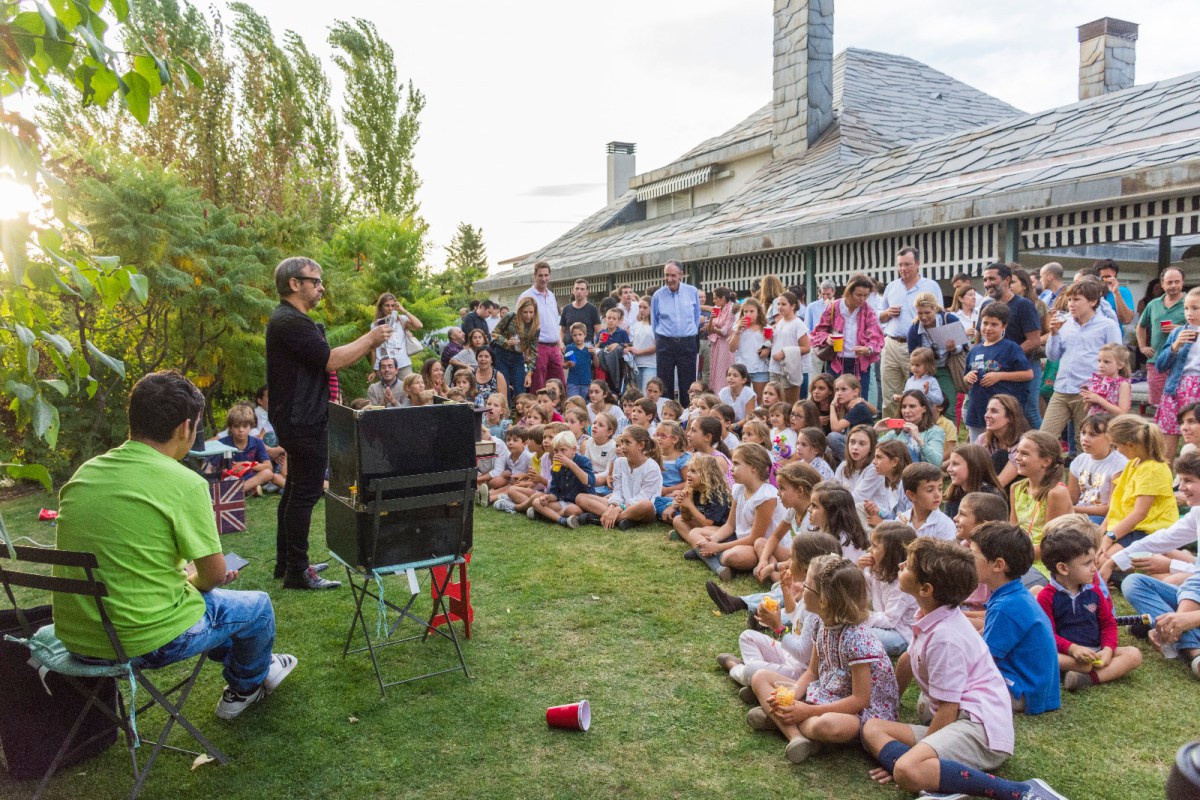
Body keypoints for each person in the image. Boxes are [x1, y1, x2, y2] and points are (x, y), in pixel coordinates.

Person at [53, 371, 298, 719]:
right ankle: (246, 685)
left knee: (215, 606)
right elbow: (212, 576)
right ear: (186, 427)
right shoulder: (185, 482)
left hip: (79, 640)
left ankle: (262, 665)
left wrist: (183, 577)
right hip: (143, 641)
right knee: (256, 607)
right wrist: (193, 580)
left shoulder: (85, 473)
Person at [862, 538, 1066, 800]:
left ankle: (1021, 791)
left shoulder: (946, 636)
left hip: (979, 730)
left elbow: (948, 707)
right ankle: (939, 780)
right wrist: (889, 704)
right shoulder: (929, 615)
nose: (900, 565)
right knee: (871, 728)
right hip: (956, 721)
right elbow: (906, 660)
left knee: (905, 769)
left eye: (908, 565)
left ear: (926, 589)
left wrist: (913, 756)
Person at [267, 257, 390, 590]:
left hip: (297, 416)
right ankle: (297, 570)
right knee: (305, 494)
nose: (321, 287)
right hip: (303, 419)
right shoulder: (290, 321)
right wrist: (371, 338)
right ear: (295, 283)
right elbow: (330, 360)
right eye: (316, 281)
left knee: (294, 491)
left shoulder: (292, 320)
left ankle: (289, 562)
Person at [747, 554, 899, 765]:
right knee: (759, 677)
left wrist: (807, 710)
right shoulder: (820, 622)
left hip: (863, 714)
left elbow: (859, 700)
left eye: (806, 586)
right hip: (826, 693)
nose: (799, 587)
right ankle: (797, 737)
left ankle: (780, 719)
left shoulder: (857, 639)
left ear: (824, 600)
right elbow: (811, 673)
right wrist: (791, 696)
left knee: (825, 725)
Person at [1103, 450, 1200, 677]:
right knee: (1135, 582)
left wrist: (1170, 567)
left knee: (1191, 584)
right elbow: (1161, 539)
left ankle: (1191, 649)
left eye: (1189, 481)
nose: (1181, 487)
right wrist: (1113, 561)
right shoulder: (1197, 512)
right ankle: (1181, 634)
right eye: (1181, 480)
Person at [1037, 524, 1142, 692]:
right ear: (1063, 568)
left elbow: (1108, 624)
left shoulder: (1094, 591)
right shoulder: (1046, 597)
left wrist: (1107, 650)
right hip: (1065, 654)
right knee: (1040, 656)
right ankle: (1079, 669)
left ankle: (1086, 678)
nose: (1095, 568)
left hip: (1095, 652)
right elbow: (1048, 635)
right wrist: (1072, 649)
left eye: (1093, 561)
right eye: (1087, 564)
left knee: (1133, 654)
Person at [972, 521, 1061, 714]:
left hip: (1024, 692)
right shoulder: (1014, 593)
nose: (967, 559)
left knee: (950, 690)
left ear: (998, 565)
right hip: (1033, 686)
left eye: (973, 555)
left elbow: (983, 657)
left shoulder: (1007, 606)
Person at [1041, 280, 1123, 450]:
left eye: (1077, 299)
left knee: (1086, 444)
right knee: (1044, 439)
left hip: (1089, 392)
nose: (1071, 304)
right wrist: (1054, 334)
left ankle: (1086, 475)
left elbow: (1117, 359)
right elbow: (1052, 355)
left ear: (1093, 302)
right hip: (1062, 388)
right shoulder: (1064, 323)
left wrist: (1103, 390)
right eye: (1069, 299)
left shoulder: (1108, 325)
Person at [687, 443, 783, 581]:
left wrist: (718, 547)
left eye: (736, 464)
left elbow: (755, 538)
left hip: (760, 546)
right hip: (740, 540)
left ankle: (708, 556)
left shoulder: (767, 496)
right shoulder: (739, 489)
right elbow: (730, 525)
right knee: (695, 532)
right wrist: (713, 539)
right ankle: (711, 556)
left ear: (753, 468)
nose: (731, 468)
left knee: (730, 556)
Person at [879, 247, 941, 419]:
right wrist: (887, 313)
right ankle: (893, 432)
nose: (903, 269)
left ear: (918, 264)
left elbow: (939, 315)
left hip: (916, 346)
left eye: (908, 264)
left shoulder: (930, 286)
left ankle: (919, 427)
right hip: (891, 343)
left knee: (916, 393)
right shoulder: (891, 287)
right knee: (890, 394)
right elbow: (880, 316)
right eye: (900, 265)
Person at [982, 262, 1043, 428]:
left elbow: (1034, 339)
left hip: (1024, 367)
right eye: (985, 279)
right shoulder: (986, 305)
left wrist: (1007, 355)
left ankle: (1045, 449)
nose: (987, 283)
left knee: (1028, 412)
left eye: (992, 279)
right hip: (995, 369)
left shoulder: (1023, 305)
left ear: (1007, 280)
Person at [1008, 431, 1072, 584]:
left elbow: (1052, 546)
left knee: (1009, 584)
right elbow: (1013, 531)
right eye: (1017, 452)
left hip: (1046, 565)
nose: (1017, 457)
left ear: (1046, 461)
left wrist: (1016, 555)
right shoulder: (1016, 488)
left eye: (1024, 454)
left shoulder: (1056, 493)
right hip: (1021, 557)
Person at [963, 303, 1033, 442]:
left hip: (1002, 414)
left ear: (1004, 326)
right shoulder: (975, 350)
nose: (988, 328)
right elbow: (965, 377)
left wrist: (1000, 376)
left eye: (994, 324)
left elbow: (1028, 374)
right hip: (977, 411)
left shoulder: (1011, 348)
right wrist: (967, 377)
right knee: (977, 452)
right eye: (985, 323)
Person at [575, 425, 663, 530]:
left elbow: (643, 497)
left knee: (646, 505)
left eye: (627, 442)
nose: (623, 447)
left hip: (640, 508)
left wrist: (619, 509)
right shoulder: (619, 462)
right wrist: (612, 506)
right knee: (580, 497)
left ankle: (603, 519)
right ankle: (623, 520)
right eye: (622, 442)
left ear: (641, 445)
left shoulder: (651, 467)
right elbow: (618, 491)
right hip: (620, 504)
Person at [809, 273, 885, 386]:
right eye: (858, 295)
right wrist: (827, 338)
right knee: (835, 399)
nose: (862, 299)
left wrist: (868, 349)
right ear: (849, 292)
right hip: (836, 363)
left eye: (865, 295)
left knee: (858, 400)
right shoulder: (834, 307)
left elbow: (877, 337)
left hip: (859, 365)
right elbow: (817, 332)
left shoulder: (867, 310)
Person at [858, 522, 919, 656]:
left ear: (891, 553)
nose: (869, 550)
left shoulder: (901, 584)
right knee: (855, 630)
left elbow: (889, 620)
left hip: (902, 635)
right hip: (885, 627)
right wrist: (860, 570)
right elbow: (866, 591)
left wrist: (861, 616)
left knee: (859, 634)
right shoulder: (882, 571)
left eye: (874, 546)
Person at [1155, 286, 1200, 464]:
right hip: (1175, 388)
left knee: (1195, 443)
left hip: (1196, 390)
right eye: (1186, 308)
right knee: (1166, 447)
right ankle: (1165, 485)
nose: (1189, 313)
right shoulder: (1177, 333)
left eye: (1195, 308)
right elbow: (1160, 365)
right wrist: (1175, 347)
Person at [905, 292, 964, 417]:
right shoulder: (914, 329)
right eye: (920, 313)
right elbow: (913, 357)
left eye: (927, 313)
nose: (924, 317)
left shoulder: (949, 319)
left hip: (945, 367)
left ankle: (950, 434)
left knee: (947, 407)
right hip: (924, 371)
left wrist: (953, 348)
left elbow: (963, 346)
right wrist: (914, 379)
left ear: (935, 309)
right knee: (923, 407)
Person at [650, 260, 701, 401]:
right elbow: (654, 321)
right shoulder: (658, 296)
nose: (669, 279)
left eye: (673, 275)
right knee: (664, 382)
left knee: (688, 383)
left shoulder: (692, 292)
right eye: (666, 275)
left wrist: (689, 333)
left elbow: (696, 316)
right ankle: (666, 416)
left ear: (681, 275)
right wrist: (661, 340)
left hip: (687, 343)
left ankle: (687, 415)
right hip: (665, 343)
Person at [1137, 266, 1186, 407]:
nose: (1173, 285)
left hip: (1183, 362)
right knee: (1157, 405)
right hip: (1156, 360)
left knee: (1182, 406)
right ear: (1162, 284)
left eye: (1177, 282)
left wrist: (1179, 329)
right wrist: (1142, 346)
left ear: (1183, 283)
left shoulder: (1191, 302)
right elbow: (1141, 326)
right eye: (1169, 282)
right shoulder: (1153, 304)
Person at [529, 431, 595, 528]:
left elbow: (590, 482)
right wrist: (547, 498)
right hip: (564, 502)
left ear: (573, 450)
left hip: (580, 503)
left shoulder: (583, 461)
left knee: (571, 510)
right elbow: (555, 493)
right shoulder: (555, 466)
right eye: (556, 451)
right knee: (536, 502)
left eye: (563, 450)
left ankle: (547, 515)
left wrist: (571, 464)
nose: (558, 454)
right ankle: (562, 520)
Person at [518, 260, 564, 391]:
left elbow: (555, 322)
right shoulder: (527, 295)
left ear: (550, 276)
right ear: (534, 276)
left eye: (546, 275)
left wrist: (560, 343)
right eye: (540, 275)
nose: (543, 279)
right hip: (537, 346)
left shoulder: (551, 295)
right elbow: (521, 325)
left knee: (559, 386)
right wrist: (526, 351)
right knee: (538, 386)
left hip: (554, 347)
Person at [219, 403, 279, 495]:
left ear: (251, 427)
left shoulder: (257, 442)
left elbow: (268, 466)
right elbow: (211, 466)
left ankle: (235, 492)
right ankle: (247, 490)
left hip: (251, 477)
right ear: (230, 428)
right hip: (230, 478)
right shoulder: (223, 443)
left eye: (245, 426)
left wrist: (248, 464)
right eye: (236, 426)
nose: (241, 430)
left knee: (268, 473)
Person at [491, 297, 540, 406]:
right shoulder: (510, 316)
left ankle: (521, 417)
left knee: (520, 389)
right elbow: (494, 333)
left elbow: (533, 351)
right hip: (502, 355)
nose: (528, 315)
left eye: (531, 312)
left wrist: (529, 373)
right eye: (525, 312)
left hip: (518, 357)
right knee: (504, 388)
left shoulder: (535, 327)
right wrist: (506, 341)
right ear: (520, 311)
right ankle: (505, 415)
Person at [876, 390, 946, 466]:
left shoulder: (935, 431)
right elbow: (871, 452)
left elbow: (936, 463)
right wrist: (874, 432)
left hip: (923, 476)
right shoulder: (896, 432)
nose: (907, 411)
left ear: (924, 409)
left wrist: (919, 441)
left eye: (912, 406)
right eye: (903, 407)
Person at [895, 462, 957, 541]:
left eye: (940, 488)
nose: (937, 495)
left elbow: (947, 553)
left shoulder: (945, 525)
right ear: (911, 495)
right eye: (929, 490)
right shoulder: (900, 521)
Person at [767, 291, 811, 404]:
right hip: (774, 367)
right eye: (778, 304)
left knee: (788, 404)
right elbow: (778, 342)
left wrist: (785, 352)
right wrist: (770, 337)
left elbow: (806, 348)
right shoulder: (780, 322)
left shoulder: (798, 324)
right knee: (775, 402)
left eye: (783, 304)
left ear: (792, 306)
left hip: (790, 369)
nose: (780, 307)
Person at [371, 292, 423, 378]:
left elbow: (419, 325)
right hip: (384, 366)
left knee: (407, 390)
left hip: (403, 364)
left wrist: (403, 310)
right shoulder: (376, 324)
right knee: (387, 391)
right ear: (381, 307)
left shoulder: (401, 320)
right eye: (387, 305)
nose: (390, 308)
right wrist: (373, 370)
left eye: (392, 305)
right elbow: (373, 349)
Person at [729, 297, 770, 400]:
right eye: (745, 311)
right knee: (742, 398)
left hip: (760, 368)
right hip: (742, 369)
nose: (748, 314)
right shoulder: (737, 327)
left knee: (760, 399)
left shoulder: (765, 327)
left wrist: (767, 349)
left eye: (752, 311)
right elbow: (732, 348)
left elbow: (771, 343)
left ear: (758, 312)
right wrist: (738, 330)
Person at [706, 287, 738, 393]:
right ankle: (716, 395)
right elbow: (710, 330)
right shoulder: (717, 308)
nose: (714, 301)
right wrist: (711, 319)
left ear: (723, 298)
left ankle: (724, 395)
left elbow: (725, 331)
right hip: (716, 344)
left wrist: (714, 329)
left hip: (726, 345)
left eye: (716, 298)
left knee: (723, 371)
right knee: (715, 372)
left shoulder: (732, 309)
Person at [558, 278, 603, 344]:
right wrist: (561, 344)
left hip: (586, 350)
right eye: (577, 288)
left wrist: (596, 348)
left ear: (587, 292)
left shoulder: (592, 309)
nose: (579, 291)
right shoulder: (566, 309)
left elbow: (599, 332)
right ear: (573, 291)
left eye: (582, 289)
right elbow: (562, 331)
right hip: (569, 350)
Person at [1096, 258, 1136, 328]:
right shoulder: (1089, 292)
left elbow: (1127, 319)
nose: (1108, 280)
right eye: (1104, 277)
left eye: (1111, 277)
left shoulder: (1122, 291)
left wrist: (1116, 293)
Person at [629, 296, 658, 390]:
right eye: (640, 307)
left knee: (647, 393)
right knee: (638, 394)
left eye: (645, 308)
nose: (641, 310)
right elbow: (633, 343)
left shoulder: (656, 326)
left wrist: (639, 352)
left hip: (650, 365)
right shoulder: (636, 325)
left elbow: (657, 346)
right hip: (636, 364)